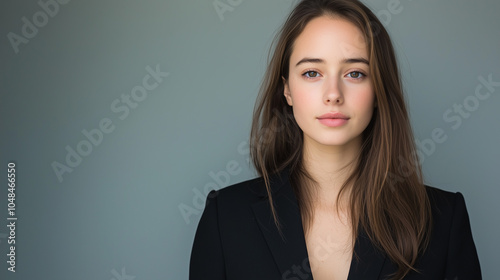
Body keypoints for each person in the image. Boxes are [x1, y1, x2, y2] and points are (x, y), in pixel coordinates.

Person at [189, 0, 482, 279]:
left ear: (379, 88)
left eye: (355, 73)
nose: (333, 93)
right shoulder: (226, 217)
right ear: (287, 90)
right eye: (312, 73)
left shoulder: (443, 219)